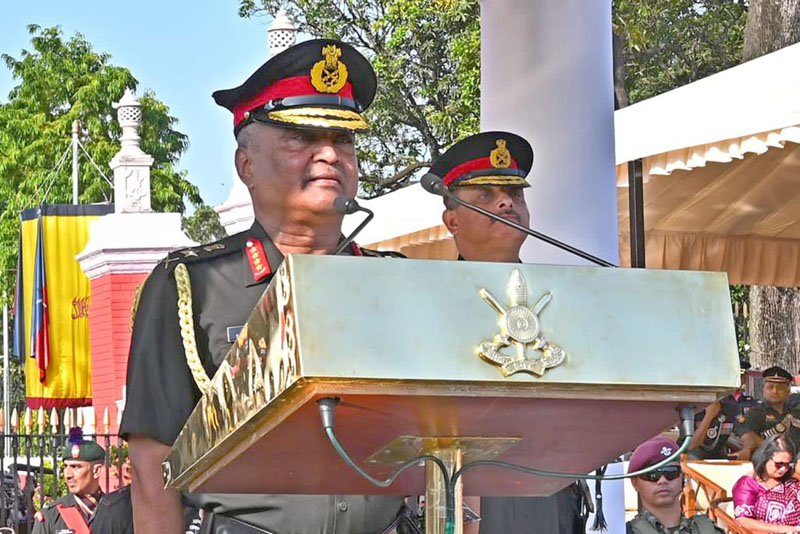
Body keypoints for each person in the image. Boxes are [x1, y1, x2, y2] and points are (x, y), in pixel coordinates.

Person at [120, 39, 406, 534]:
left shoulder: (399, 283)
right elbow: (153, 466)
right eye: (301, 139)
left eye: (344, 141)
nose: (329, 155)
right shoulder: (191, 286)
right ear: (245, 167)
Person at [430, 131, 588, 533]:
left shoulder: (561, 300)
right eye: (485, 195)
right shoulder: (429, 300)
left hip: (551, 486)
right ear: (452, 220)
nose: (507, 203)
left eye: (516, 195)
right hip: (463, 488)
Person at [627, 436, 721, 534]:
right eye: (652, 474)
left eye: (671, 472)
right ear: (635, 482)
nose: (662, 480)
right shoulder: (621, 530)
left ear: (683, 477)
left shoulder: (708, 530)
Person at [33, 429, 106, 534]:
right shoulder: (50, 516)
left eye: (75, 467)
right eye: (65, 466)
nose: (68, 474)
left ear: (97, 470)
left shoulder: (116, 513)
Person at [732, 434, 800, 533]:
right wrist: (779, 529)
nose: (783, 469)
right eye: (779, 464)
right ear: (765, 457)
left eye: (788, 464)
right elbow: (742, 521)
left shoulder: (791, 482)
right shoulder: (748, 483)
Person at [688, 362, 756, 459]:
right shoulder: (695, 404)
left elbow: (747, 437)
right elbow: (691, 446)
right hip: (689, 457)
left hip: (716, 457)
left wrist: (747, 449)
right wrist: (709, 416)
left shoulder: (729, 406)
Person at [733, 366, 800, 461]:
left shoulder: (796, 412)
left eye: (780, 388)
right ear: (763, 389)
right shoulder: (756, 413)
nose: (775, 391)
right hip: (768, 465)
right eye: (770, 387)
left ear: (788, 391)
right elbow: (749, 441)